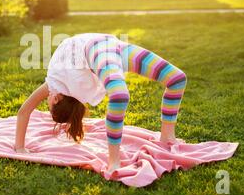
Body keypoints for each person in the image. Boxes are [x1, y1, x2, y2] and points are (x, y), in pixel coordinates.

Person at [14, 33, 187, 172]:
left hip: (106, 47)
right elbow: (24, 110)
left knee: (176, 80)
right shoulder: (56, 87)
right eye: (48, 104)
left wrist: (20, 148)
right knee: (174, 80)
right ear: (56, 100)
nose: (47, 99)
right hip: (107, 48)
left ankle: (166, 138)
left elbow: (25, 111)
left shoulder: (58, 82)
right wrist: (20, 148)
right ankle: (115, 161)